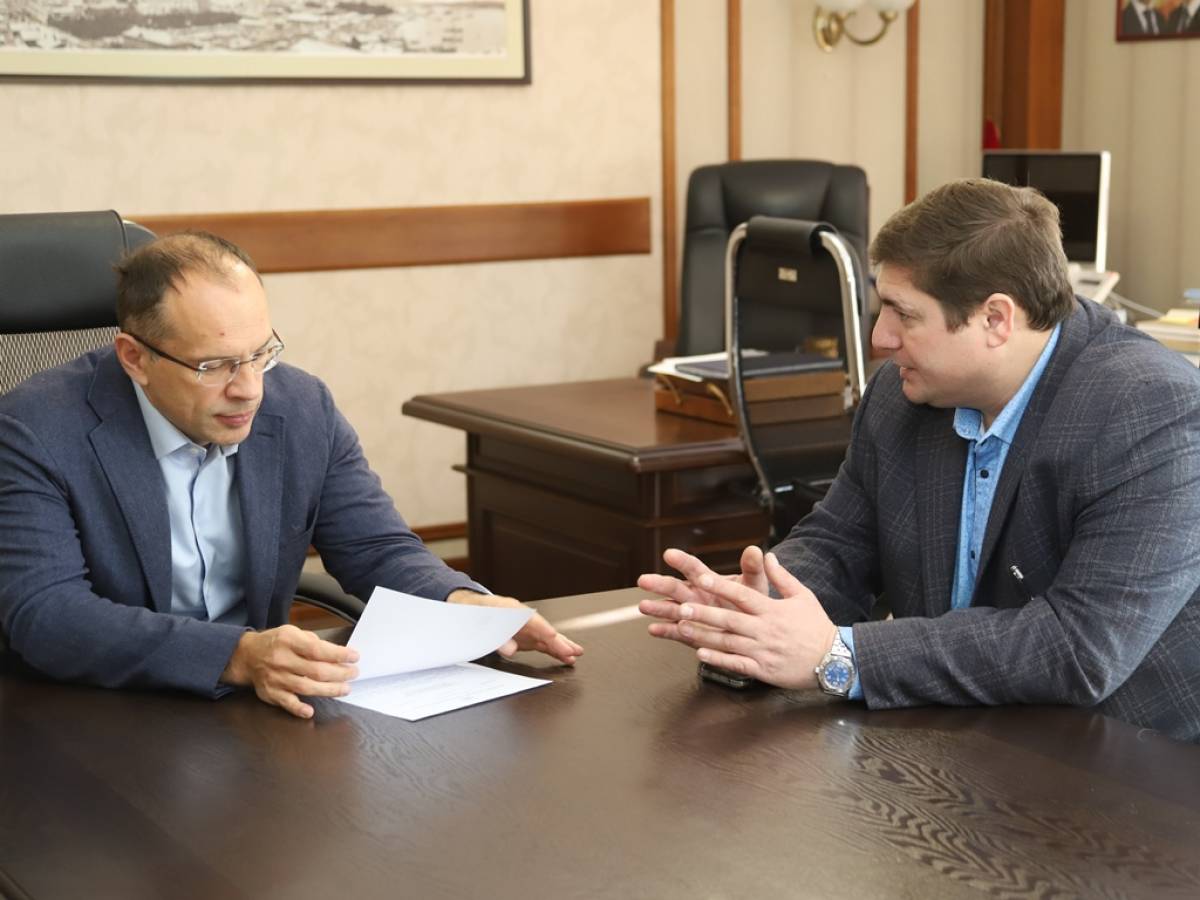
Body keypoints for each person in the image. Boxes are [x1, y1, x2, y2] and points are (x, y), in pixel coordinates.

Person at [639, 177, 1200, 742]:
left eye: (903, 314)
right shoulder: (904, 394)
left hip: (1123, 762)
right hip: (951, 741)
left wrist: (840, 655)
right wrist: (756, 608)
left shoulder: (1155, 412)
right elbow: (839, 543)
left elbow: (1078, 648)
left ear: (995, 319)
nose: (880, 338)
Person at [0, 231, 582, 719]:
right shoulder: (34, 429)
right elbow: (47, 613)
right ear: (135, 358)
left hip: (254, 708)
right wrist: (236, 654)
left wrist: (460, 601)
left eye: (260, 353)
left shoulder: (301, 407)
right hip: (94, 713)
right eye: (215, 366)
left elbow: (374, 546)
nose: (250, 389)